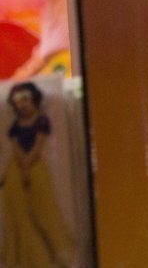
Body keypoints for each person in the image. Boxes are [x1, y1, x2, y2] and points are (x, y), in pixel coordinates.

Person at [2, 81, 74, 266]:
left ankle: (50, 254)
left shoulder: (41, 121)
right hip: (15, 171)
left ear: (33, 99)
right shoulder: (16, 125)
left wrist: (27, 163)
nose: (22, 104)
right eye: (18, 101)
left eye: (25, 99)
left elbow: (38, 146)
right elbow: (16, 147)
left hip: (36, 169)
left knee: (43, 209)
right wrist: (22, 165)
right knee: (18, 213)